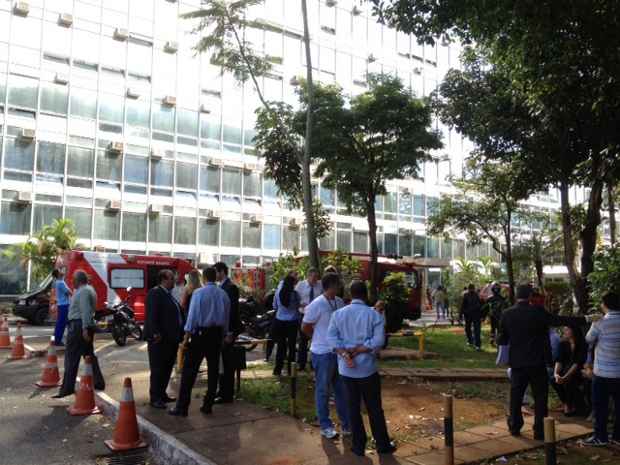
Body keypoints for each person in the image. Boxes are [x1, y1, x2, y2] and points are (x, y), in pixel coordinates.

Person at [497, 284, 590, 440]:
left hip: (518, 362)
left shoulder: (507, 314)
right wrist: (585, 319)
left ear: (516, 296)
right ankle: (540, 431)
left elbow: (502, 339)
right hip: (537, 362)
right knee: (540, 397)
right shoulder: (538, 312)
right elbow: (559, 320)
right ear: (530, 297)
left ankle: (514, 427)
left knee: (516, 395)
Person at [327, 280, 396, 457]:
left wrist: (346, 354)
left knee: (352, 408)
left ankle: (358, 447)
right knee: (374, 407)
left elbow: (332, 339)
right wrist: (359, 350)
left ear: (350, 294)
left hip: (347, 370)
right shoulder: (374, 315)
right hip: (368, 370)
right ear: (365, 295)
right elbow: (379, 341)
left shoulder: (338, 314)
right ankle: (382, 444)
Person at [169, 267, 230, 417]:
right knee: (213, 371)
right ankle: (208, 405)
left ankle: (182, 407)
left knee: (189, 371)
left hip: (200, 336)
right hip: (216, 336)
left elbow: (192, 317)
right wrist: (223, 336)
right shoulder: (224, 295)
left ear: (204, 278)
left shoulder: (198, 293)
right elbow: (226, 319)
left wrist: (185, 338)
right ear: (215, 278)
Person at [301, 273, 349, 439]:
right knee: (323, 390)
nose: (340, 286)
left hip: (338, 353)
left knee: (341, 390)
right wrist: (318, 338)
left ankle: (346, 424)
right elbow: (305, 326)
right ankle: (325, 426)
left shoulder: (339, 302)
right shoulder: (317, 304)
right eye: (338, 284)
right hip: (322, 353)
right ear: (332, 285)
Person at [53, 270, 104, 398]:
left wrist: (85, 328)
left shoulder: (84, 291)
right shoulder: (88, 289)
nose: (71, 282)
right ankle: (98, 382)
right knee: (89, 355)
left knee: (71, 358)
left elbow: (85, 310)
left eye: (73, 280)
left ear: (78, 280)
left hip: (78, 326)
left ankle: (67, 388)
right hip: (82, 325)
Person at [583, 291, 620, 447]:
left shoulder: (600, 322)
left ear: (604, 304)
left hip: (603, 373)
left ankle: (601, 437)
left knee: (600, 406)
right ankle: (618, 436)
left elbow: (588, 339)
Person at [144, 269, 185, 409]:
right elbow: (151, 315)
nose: (174, 281)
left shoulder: (168, 294)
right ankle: (155, 398)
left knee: (167, 368)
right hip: (160, 340)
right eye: (172, 278)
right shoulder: (155, 293)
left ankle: (162, 394)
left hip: (171, 339)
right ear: (164, 279)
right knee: (158, 369)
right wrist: (155, 332)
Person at [214, 261, 243, 404]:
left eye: (216, 272)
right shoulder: (222, 287)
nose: (215, 275)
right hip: (222, 330)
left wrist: (231, 332)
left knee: (227, 363)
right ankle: (222, 390)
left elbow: (232, 312)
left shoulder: (230, 288)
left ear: (222, 272)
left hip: (229, 331)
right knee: (222, 362)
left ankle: (227, 394)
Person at [553, 325, 587, 416]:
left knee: (569, 380)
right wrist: (556, 374)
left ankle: (570, 405)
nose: (564, 331)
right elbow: (559, 361)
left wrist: (565, 377)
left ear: (574, 331)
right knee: (553, 379)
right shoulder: (562, 344)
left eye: (567, 329)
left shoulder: (582, 344)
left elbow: (577, 363)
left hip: (579, 370)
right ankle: (566, 403)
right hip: (565, 369)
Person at [272, 274, 301, 376]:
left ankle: (277, 369)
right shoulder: (295, 294)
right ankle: (291, 370)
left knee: (281, 346)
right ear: (293, 284)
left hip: (279, 321)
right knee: (292, 347)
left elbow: (274, 306)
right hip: (292, 322)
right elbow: (298, 307)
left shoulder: (278, 292)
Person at [295, 268, 323, 371]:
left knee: (315, 339)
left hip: (316, 317)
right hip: (304, 315)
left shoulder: (320, 286)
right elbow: (294, 300)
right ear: (308, 276)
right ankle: (301, 364)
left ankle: (313, 363)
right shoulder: (300, 285)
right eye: (313, 278)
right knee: (303, 340)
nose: (315, 280)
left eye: (317, 278)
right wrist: (301, 304)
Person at [52, 269, 72, 346]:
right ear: (58, 274)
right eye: (60, 271)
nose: (62, 271)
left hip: (61, 305)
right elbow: (69, 292)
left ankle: (54, 339)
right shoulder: (60, 283)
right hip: (64, 305)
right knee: (61, 324)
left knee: (60, 323)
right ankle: (57, 341)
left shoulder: (59, 282)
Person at [460, 284, 483, 350]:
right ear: (469, 289)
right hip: (468, 315)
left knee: (477, 330)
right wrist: (461, 314)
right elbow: (463, 305)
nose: (471, 290)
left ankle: (478, 345)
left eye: (472, 289)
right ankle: (470, 340)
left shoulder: (477, 295)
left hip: (476, 315)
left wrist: (482, 315)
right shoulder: (466, 295)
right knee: (467, 328)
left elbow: (481, 305)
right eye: (470, 289)